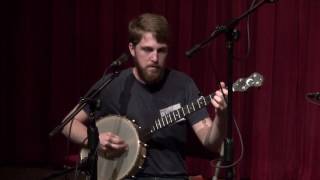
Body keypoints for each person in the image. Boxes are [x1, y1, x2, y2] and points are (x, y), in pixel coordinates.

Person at [62, 13, 228, 179]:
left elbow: (211, 143)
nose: (155, 58)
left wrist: (221, 115)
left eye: (161, 50)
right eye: (147, 49)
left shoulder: (184, 85)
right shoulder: (112, 84)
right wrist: (95, 140)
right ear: (132, 49)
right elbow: (68, 124)